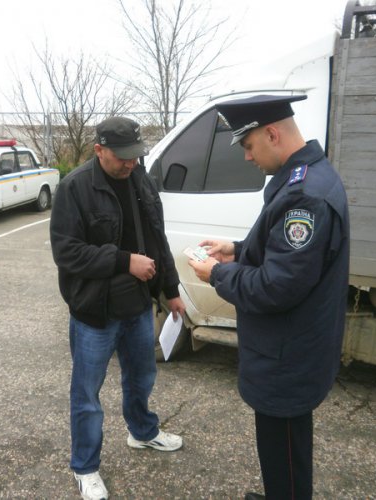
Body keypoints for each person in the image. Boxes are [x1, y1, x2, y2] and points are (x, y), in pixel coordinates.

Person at [188, 94, 350, 500]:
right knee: (283, 452)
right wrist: (237, 249)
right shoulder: (308, 177)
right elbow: (286, 256)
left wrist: (218, 273)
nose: (247, 157)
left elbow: (278, 286)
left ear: (272, 134)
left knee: (285, 449)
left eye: (248, 146)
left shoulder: (304, 196)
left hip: (286, 358)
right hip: (291, 350)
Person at [50, 116, 186, 500]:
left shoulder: (140, 180)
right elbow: (67, 252)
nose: (130, 164)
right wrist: (124, 261)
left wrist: (171, 288)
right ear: (99, 150)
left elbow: (157, 239)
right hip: (95, 312)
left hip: (139, 306)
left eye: (135, 156)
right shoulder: (75, 187)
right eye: (122, 157)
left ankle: (142, 433)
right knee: (87, 395)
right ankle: (85, 467)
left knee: (142, 378)